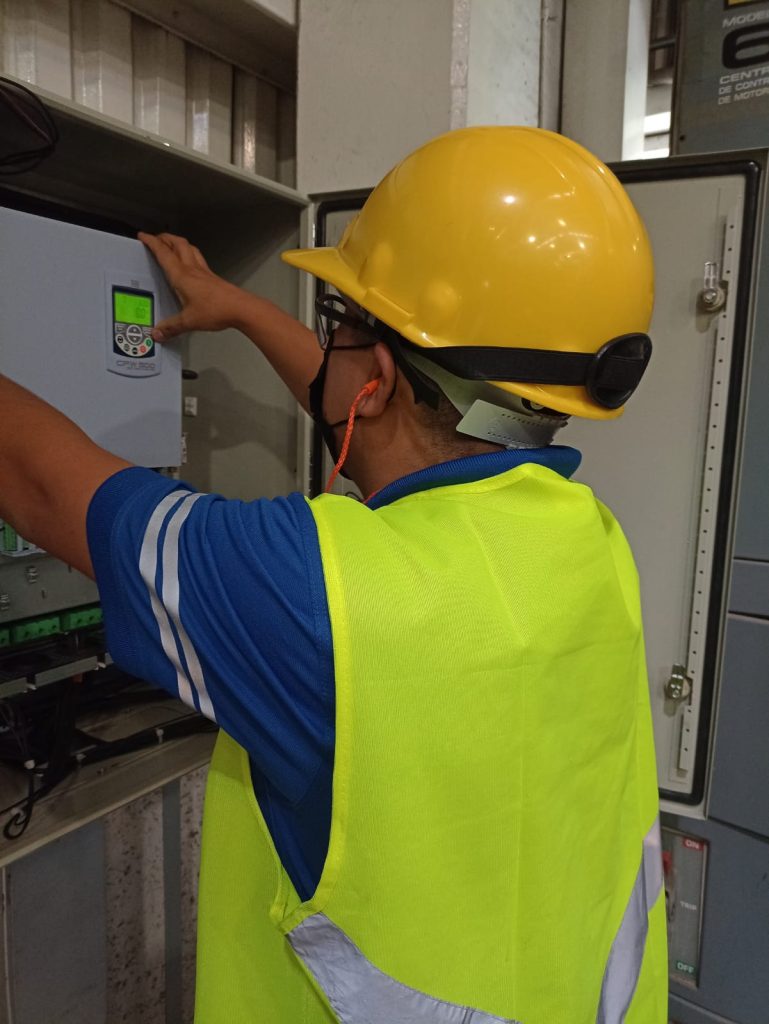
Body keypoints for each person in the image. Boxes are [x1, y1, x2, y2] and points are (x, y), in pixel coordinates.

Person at [0, 127, 667, 1022]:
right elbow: (389, 402)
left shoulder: (314, 590)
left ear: (378, 379)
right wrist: (243, 310)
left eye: (339, 324)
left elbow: (42, 486)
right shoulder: (588, 540)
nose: (333, 345)